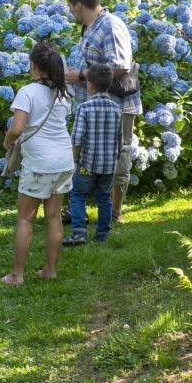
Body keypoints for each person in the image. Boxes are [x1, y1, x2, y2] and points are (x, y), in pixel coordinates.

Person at [63, 0, 141, 223]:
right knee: (86, 156)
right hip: (91, 106)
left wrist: (82, 75)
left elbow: (120, 66)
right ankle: (80, 208)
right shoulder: (91, 26)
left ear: (77, 6)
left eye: (69, 6)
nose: (69, 11)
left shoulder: (110, 25)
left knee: (118, 157)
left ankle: (115, 213)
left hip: (115, 107)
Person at [0, 41, 74, 286]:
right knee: (53, 217)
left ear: (33, 65)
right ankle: (50, 269)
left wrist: (7, 142)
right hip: (63, 160)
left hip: (40, 163)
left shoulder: (28, 92)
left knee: (25, 219)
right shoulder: (64, 93)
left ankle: (17, 275)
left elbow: (17, 128)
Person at [65, 64, 122, 246]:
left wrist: (75, 159)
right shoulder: (116, 109)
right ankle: (102, 235)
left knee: (78, 195)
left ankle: (79, 233)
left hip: (86, 165)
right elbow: (120, 139)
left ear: (89, 85)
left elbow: (78, 138)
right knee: (104, 197)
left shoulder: (84, 108)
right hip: (108, 166)